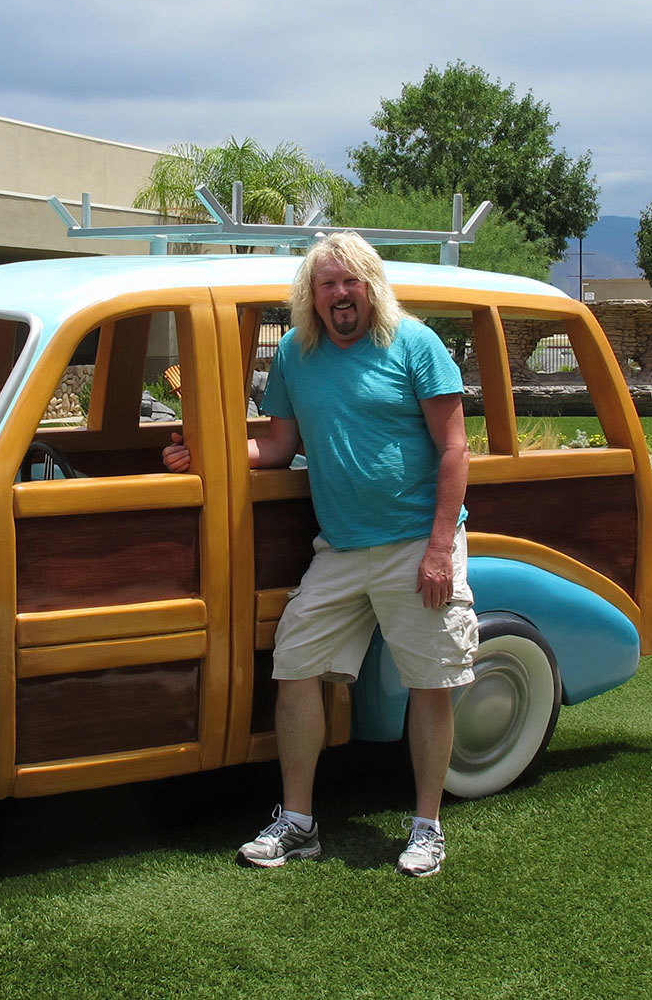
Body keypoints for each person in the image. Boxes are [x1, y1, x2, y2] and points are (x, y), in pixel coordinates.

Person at [161, 232, 474, 877]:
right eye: (326, 283)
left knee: (430, 682)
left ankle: (426, 825)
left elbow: (454, 449)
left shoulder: (415, 344)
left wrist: (441, 547)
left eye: (350, 281)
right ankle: (298, 822)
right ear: (311, 295)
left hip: (417, 543)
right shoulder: (297, 358)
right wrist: (206, 454)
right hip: (339, 548)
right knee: (295, 662)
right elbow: (275, 449)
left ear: (372, 287)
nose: (339, 294)